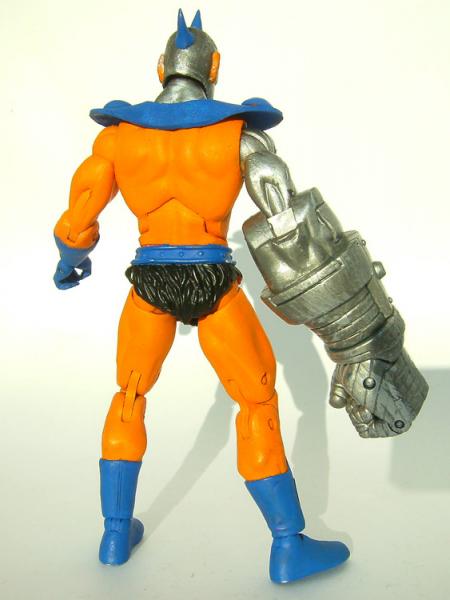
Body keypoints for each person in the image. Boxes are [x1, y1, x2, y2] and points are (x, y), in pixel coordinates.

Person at [54, 9, 426, 584]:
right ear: (215, 69)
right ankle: (288, 544)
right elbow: (290, 225)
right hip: (212, 281)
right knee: (256, 402)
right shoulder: (239, 136)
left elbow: (78, 218)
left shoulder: (117, 139)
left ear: (160, 67)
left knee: (129, 394)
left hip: (149, 281)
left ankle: (114, 534)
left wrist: (68, 263)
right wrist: (347, 321)